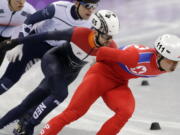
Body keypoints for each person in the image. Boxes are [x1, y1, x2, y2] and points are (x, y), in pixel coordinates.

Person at [0, 10, 120, 135]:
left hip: (69, 74)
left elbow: (117, 67)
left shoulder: (111, 47)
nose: (109, 41)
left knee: (30, 103)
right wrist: (16, 42)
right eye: (106, 36)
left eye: (112, 37)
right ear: (95, 32)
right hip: (53, 61)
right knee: (61, 93)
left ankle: (10, 123)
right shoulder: (78, 33)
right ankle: (29, 126)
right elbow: (46, 35)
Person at [39, 34, 180, 135]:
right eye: (170, 62)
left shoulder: (164, 65)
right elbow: (102, 51)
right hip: (100, 75)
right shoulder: (134, 58)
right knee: (73, 113)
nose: (173, 67)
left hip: (119, 83)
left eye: (176, 63)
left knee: (126, 111)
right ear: (159, 55)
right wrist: (95, 66)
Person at [0, 0, 99, 95]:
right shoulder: (58, 8)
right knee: (10, 78)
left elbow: (95, 44)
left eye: (94, 7)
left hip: (55, 52)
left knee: (52, 87)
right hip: (36, 43)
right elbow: (30, 21)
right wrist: (20, 42)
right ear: (77, 4)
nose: (91, 10)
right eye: (87, 6)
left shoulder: (92, 23)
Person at [0, 0, 36, 65]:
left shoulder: (30, 10)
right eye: (17, 1)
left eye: (23, 0)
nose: (21, 4)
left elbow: (36, 27)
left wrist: (20, 45)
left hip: (6, 39)